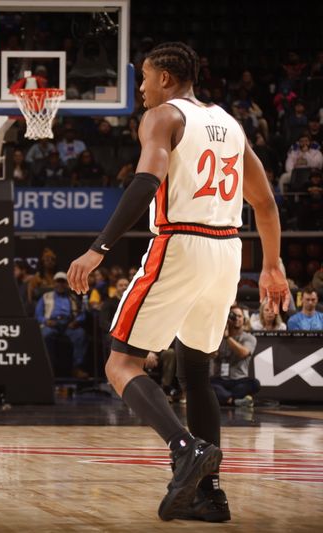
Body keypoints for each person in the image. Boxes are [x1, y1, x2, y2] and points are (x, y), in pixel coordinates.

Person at [67, 42, 290, 522]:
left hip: (181, 242)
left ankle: (184, 448)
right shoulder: (231, 124)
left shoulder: (164, 117)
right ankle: (210, 495)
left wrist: (97, 247)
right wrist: (272, 264)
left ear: (166, 77)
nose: (140, 89)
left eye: (143, 78)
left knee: (121, 364)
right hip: (228, 250)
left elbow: (146, 182)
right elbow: (266, 203)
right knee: (195, 372)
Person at [35, 272, 88, 379]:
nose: (60, 284)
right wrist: (46, 321)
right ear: (54, 283)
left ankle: (76, 368)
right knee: (45, 335)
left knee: (80, 334)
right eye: (58, 282)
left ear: (67, 284)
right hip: (51, 324)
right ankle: (48, 368)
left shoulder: (72, 297)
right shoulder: (46, 296)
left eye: (63, 282)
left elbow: (82, 313)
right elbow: (38, 314)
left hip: (68, 324)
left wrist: (76, 321)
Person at [210, 306, 260, 408]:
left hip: (239, 380)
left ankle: (226, 398)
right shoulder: (217, 336)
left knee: (255, 383)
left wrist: (227, 337)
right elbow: (212, 354)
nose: (236, 319)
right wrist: (220, 334)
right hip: (220, 379)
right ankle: (235, 401)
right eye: (233, 316)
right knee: (207, 384)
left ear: (244, 319)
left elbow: (243, 353)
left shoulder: (249, 338)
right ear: (227, 319)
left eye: (239, 316)